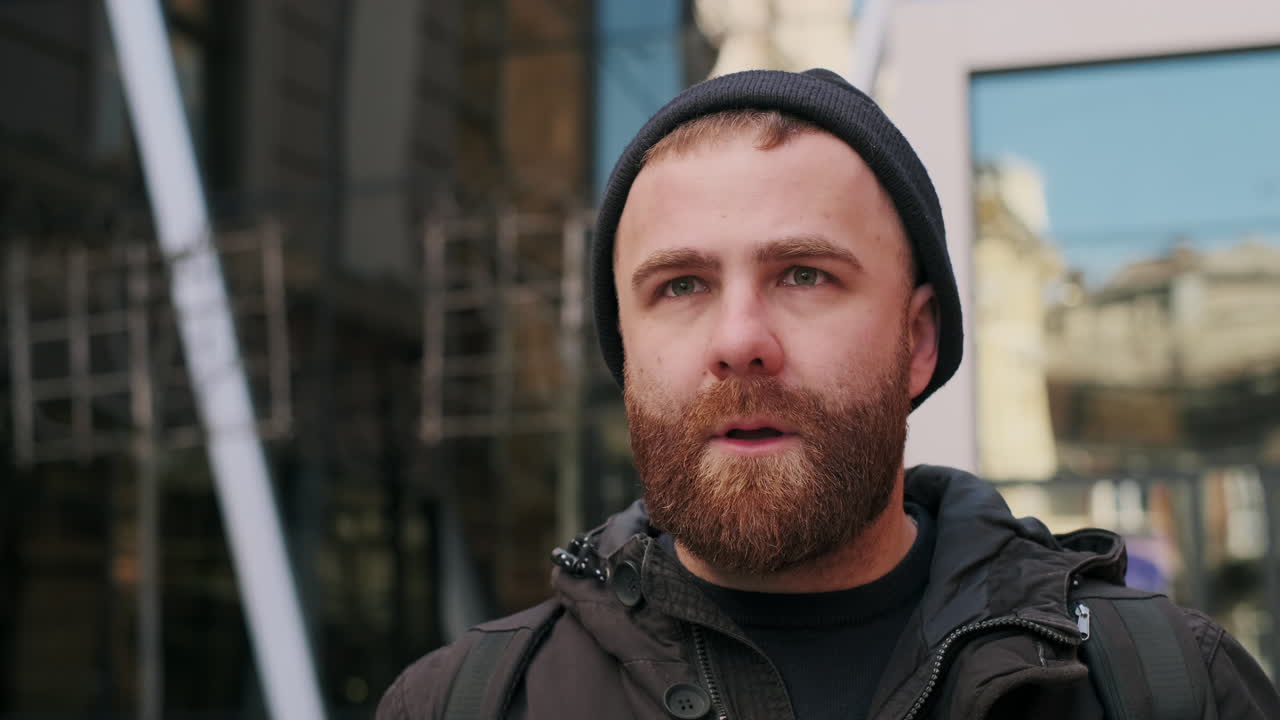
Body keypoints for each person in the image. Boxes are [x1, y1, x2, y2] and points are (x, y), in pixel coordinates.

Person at [377, 68, 1279, 719]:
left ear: (917, 341)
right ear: (625, 351)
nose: (739, 343)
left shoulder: (1165, 685)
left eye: (804, 274)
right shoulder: (466, 704)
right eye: (680, 286)